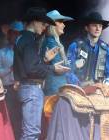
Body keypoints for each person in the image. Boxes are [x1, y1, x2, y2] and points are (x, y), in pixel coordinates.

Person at [47, 12, 109, 140]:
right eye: (94, 25)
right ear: (86, 27)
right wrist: (79, 86)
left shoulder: (107, 49)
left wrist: (105, 84)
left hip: (99, 89)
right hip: (79, 88)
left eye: (100, 26)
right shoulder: (76, 46)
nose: (97, 29)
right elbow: (68, 70)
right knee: (64, 105)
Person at [13, 7, 68, 140]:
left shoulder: (25, 39)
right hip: (31, 89)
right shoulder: (29, 41)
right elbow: (31, 69)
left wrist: (44, 60)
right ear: (35, 22)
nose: (44, 27)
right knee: (31, 133)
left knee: (30, 132)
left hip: (29, 88)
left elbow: (29, 66)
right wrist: (52, 68)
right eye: (43, 23)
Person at [0, 21, 24, 139]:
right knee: (10, 118)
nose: (17, 36)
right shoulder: (1, 53)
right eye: (14, 34)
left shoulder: (26, 52)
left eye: (19, 34)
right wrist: (9, 69)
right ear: (9, 35)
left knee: (24, 118)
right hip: (8, 91)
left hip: (24, 88)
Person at [41, 10, 73, 96]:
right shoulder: (51, 42)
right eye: (60, 22)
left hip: (56, 86)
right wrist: (74, 65)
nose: (64, 24)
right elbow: (60, 67)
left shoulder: (50, 41)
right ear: (52, 25)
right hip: (55, 88)